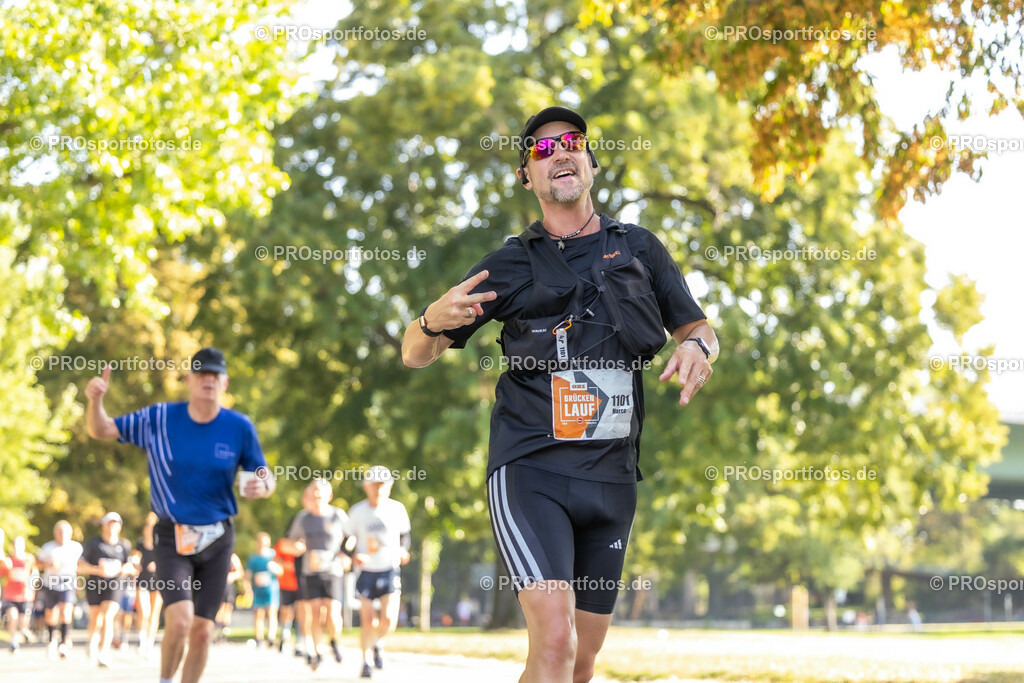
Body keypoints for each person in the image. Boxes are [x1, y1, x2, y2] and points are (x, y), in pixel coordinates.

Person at [401, 106, 717, 683]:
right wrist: (427, 322)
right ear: (528, 178)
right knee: (553, 643)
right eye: (542, 150)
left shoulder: (641, 249)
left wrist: (700, 349)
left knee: (581, 661)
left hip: (614, 478)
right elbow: (414, 354)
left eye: (571, 142)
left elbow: (696, 328)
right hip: (531, 470)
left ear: (591, 162)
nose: (560, 152)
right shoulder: (511, 263)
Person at [84, 346, 276, 683]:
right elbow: (101, 430)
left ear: (225, 382)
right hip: (172, 536)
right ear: (188, 380)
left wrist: (262, 484)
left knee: (203, 631)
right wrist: (95, 401)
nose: (208, 380)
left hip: (218, 538)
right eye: (201, 373)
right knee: (180, 619)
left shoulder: (239, 426)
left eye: (215, 375)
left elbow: (263, 474)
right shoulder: (159, 418)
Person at [346, 466, 411, 679]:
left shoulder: (397, 509)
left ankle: (377, 644)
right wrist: (354, 554)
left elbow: (405, 536)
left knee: (389, 620)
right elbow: (345, 541)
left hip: (389, 568)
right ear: (366, 487)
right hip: (365, 570)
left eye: (382, 485)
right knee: (367, 620)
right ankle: (365, 662)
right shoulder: (357, 511)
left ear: (389, 487)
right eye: (374, 485)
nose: (378, 489)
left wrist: (403, 549)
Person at [279, 479, 349, 671]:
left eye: (321, 492)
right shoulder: (302, 518)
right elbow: (286, 543)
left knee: (333, 613)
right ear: (308, 496)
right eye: (313, 492)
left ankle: (335, 641)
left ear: (329, 496)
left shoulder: (338, 516)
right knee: (316, 613)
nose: (317, 496)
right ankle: (318, 651)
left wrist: (346, 554)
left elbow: (351, 538)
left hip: (333, 571)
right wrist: (296, 547)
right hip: (310, 572)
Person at [79, 511, 136, 668]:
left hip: (115, 584)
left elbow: (131, 566)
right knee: (95, 619)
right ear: (103, 525)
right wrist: (97, 570)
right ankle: (93, 639)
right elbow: (80, 565)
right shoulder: (94, 544)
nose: (112, 526)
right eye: (109, 523)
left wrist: (124, 568)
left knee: (108, 616)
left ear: (119, 526)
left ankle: (103, 653)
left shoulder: (124, 545)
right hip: (95, 585)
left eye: (115, 523)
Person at [36, 520, 84, 660]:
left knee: (66, 611)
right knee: (51, 614)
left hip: (67, 583)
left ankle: (63, 642)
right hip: (51, 583)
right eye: (59, 531)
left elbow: (82, 564)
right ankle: (52, 640)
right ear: (55, 533)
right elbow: (37, 564)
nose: (62, 534)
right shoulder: (48, 547)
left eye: (65, 532)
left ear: (70, 533)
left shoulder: (76, 547)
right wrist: (47, 563)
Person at [1, 530, 38, 653]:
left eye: (19, 545)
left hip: (25, 596)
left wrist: (30, 583)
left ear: (23, 546)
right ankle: (13, 642)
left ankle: (24, 631)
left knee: (22, 623)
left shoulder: (29, 559)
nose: (17, 548)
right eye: (15, 545)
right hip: (10, 595)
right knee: (12, 616)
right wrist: (6, 567)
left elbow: (35, 574)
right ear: (12, 547)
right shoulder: (7, 560)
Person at [244, 532, 282, 647]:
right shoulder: (253, 558)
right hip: (258, 589)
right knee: (259, 614)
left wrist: (275, 568)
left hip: (271, 588)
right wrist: (247, 588)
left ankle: (271, 638)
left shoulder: (273, 555)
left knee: (271, 613)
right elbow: (248, 575)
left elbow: (281, 571)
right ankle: (259, 639)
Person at [135, 512, 163, 658]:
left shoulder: (161, 545)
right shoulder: (140, 544)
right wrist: (135, 562)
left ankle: (149, 643)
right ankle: (141, 640)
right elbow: (135, 556)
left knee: (153, 614)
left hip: (159, 582)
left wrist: (158, 564)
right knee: (144, 612)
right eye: (148, 527)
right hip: (142, 582)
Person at [272, 532, 300, 654]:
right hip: (286, 582)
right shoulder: (283, 543)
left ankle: (299, 642)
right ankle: (284, 634)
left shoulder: (305, 542)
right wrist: (285, 565)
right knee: (286, 610)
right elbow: (275, 559)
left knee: (301, 612)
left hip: (301, 583)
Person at [215, 553, 244, 642]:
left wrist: (232, 576)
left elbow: (240, 572)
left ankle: (223, 633)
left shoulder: (232, 557)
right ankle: (216, 631)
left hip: (227, 585)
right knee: (218, 608)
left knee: (227, 608)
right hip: (216, 585)